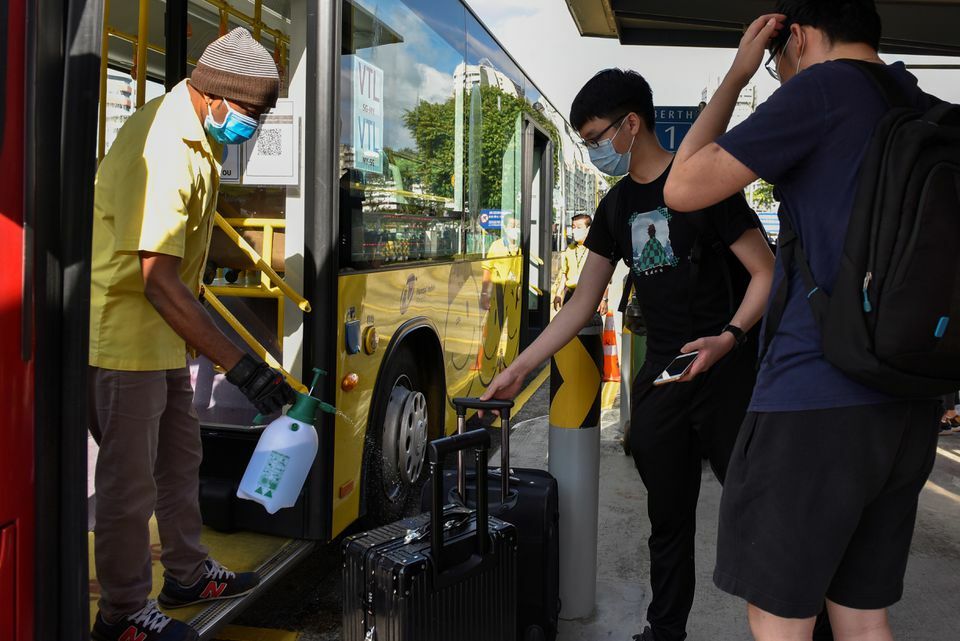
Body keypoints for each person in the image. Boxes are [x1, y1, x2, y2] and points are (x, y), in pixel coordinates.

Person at [664, 2, 942, 640]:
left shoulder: (823, 88)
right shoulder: (918, 103)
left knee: (779, 617)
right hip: (907, 401)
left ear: (800, 37)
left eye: (774, 60)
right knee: (863, 616)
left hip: (814, 398)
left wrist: (735, 76)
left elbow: (683, 188)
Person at [482, 68, 775, 641]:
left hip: (730, 374)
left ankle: (799, 627)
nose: (593, 150)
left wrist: (731, 337)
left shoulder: (706, 187)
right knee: (667, 522)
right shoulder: (616, 208)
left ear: (630, 124)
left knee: (761, 518)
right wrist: (520, 368)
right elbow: (579, 305)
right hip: (665, 380)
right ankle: (664, 631)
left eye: (595, 138)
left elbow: (767, 272)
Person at [89, 28, 295, 641]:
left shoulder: (196, 133)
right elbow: (156, 280)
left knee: (181, 459)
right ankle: (122, 615)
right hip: (126, 337)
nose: (253, 127)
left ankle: (185, 572)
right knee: (129, 488)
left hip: (161, 338)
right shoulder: (164, 145)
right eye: (253, 113)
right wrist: (244, 367)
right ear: (219, 95)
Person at [552, 214, 609, 314]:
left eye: (579, 227)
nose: (575, 231)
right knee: (569, 326)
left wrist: (604, 299)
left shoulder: (595, 250)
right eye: (573, 227)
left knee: (588, 327)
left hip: (590, 296)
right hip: (571, 295)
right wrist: (558, 294)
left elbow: (604, 278)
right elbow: (564, 274)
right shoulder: (569, 249)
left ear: (589, 229)